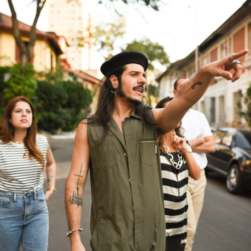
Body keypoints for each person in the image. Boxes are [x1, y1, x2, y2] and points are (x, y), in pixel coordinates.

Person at [65, 50, 248, 251]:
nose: (142, 79)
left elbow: (183, 101)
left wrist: (206, 72)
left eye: (144, 75)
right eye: (134, 74)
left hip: (151, 241)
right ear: (114, 81)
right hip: (110, 241)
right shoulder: (88, 128)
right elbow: (76, 181)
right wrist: (75, 238)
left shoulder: (152, 120)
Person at [0, 96, 56, 251]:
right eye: (18, 111)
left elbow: (50, 163)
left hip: (37, 208)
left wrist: (51, 188)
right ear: (9, 118)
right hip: (6, 210)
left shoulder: (41, 142)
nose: (24, 114)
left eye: (28, 111)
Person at [173, 78, 216, 251]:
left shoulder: (200, 116)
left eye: (191, 85)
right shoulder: (171, 113)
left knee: (192, 230)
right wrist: (199, 140)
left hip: (200, 177)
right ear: (175, 92)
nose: (189, 88)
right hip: (180, 176)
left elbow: (211, 146)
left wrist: (186, 146)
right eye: (183, 86)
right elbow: (172, 147)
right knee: (187, 228)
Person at [156, 97, 200, 251]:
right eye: (170, 111)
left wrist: (185, 150)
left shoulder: (184, 143)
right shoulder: (153, 144)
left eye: (178, 112)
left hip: (179, 223)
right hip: (159, 222)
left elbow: (196, 174)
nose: (176, 115)